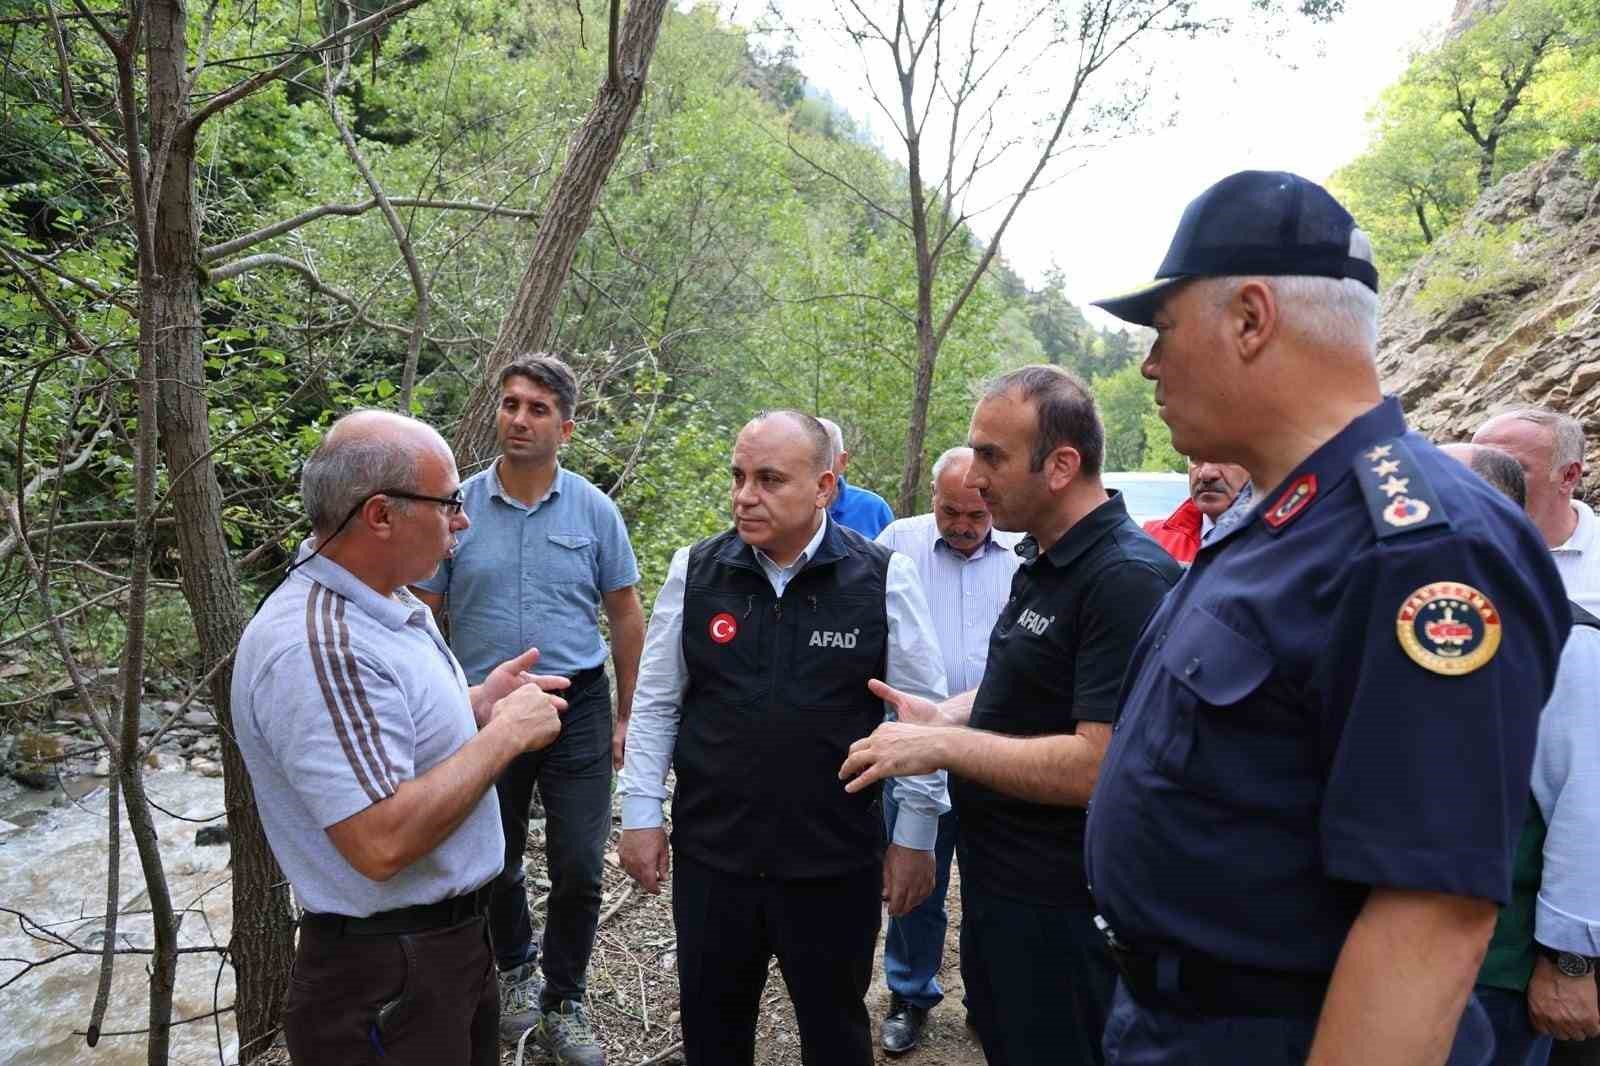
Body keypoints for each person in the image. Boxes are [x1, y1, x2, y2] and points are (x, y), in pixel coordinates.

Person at [1080, 169, 1570, 1066]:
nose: (1149, 364)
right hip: (1172, 1022)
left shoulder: (1420, 549)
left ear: (1251, 317)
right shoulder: (1284, 519)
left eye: (1163, 330)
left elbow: (1428, 921)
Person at [841, 366, 1182, 1066]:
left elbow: (1099, 763)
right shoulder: (1044, 558)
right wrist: (946, 714)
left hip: (1068, 911)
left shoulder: (1124, 578)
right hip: (1005, 894)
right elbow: (1020, 686)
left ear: (1061, 465)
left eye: (993, 455)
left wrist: (942, 749)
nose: (975, 474)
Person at [232, 410, 570, 1065]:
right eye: (449, 503)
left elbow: (389, 748)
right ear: (380, 515)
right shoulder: (319, 646)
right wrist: (502, 738)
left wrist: (474, 707)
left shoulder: (385, 604)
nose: (463, 520)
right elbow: (380, 842)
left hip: (441, 951)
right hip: (386, 973)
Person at [616, 410, 949, 1066]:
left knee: (835, 1032)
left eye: (769, 479)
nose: (745, 495)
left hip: (833, 862)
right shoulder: (698, 572)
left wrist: (915, 835)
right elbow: (655, 704)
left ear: (824, 487)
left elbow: (921, 718)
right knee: (714, 1032)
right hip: (716, 859)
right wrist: (639, 815)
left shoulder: (881, 578)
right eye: (739, 476)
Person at [413, 356, 645, 1061]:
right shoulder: (458, 510)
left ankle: (563, 1001)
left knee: (580, 863)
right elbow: (421, 612)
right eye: (511, 404)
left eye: (537, 408)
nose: (519, 418)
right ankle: (514, 967)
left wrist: (628, 715)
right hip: (484, 706)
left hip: (576, 705)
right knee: (495, 855)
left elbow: (627, 614)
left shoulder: (593, 510)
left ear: (564, 427)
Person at [1442, 444, 1600, 1066]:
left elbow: (1587, 807)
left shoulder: (1567, 640)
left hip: (1497, 969)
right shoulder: (1410, 622)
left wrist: (1569, 962)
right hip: (1407, 952)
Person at [871, 446, 1023, 1055]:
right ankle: (910, 993)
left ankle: (991, 997)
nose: (961, 525)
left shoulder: (1023, 552)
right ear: (930, 498)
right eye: (948, 511)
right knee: (915, 869)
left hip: (997, 744)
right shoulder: (897, 545)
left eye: (975, 514)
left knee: (997, 881)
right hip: (914, 742)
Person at [1472, 409, 1598, 614]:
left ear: (1568, 476)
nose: (1482, 482)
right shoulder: (1447, 549)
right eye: (1475, 468)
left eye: (1507, 468)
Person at [1142, 458, 1250, 563]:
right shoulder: (1151, 540)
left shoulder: (1265, 550)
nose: (1205, 473)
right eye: (1195, 456)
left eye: (1226, 456)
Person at [819, 416, 895, 537]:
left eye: (823, 459)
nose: (815, 468)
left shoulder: (873, 509)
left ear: (842, 461)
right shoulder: (788, 506)